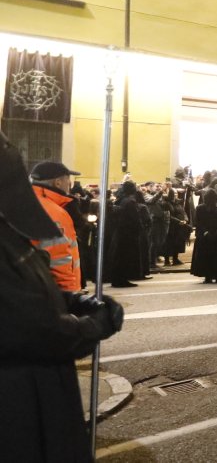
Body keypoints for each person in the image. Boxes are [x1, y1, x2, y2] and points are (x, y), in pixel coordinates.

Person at [0, 131, 124, 462]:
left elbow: (29, 289)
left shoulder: (11, 225)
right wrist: (95, 325)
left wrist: (69, 300)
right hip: (20, 404)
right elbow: (34, 330)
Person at [28, 161, 83, 292]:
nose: (69, 185)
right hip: (50, 293)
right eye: (68, 180)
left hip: (27, 288)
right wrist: (70, 296)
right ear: (58, 182)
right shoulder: (54, 213)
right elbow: (59, 261)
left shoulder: (24, 202)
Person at [192, 189, 217, 284]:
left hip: (204, 237)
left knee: (206, 257)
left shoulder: (199, 208)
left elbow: (198, 223)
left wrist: (206, 232)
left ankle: (208, 276)